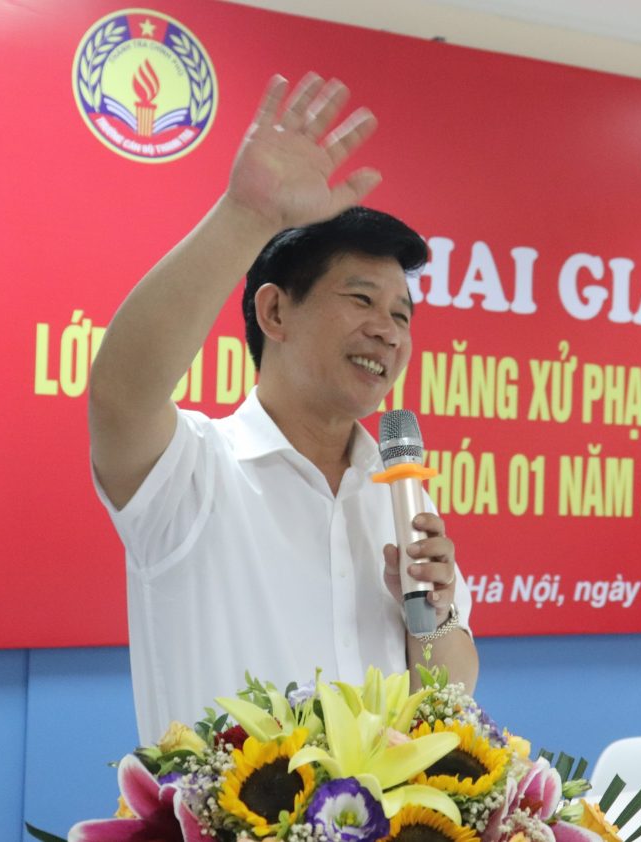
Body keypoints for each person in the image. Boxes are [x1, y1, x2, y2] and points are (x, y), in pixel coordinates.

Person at [88, 72, 479, 743]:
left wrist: (435, 616)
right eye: (361, 300)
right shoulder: (192, 472)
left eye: (401, 315)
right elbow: (122, 393)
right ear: (274, 311)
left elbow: (449, 696)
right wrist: (246, 215)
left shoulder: (397, 497)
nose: (388, 332)